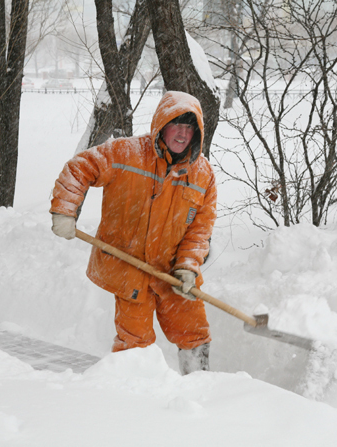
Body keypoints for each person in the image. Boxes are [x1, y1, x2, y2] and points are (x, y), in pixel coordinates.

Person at [50, 91, 217, 375]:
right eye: (176, 124)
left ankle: (198, 388)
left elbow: (200, 230)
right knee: (135, 342)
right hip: (129, 267)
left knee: (193, 331)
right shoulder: (125, 153)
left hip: (171, 271)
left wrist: (188, 267)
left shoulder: (203, 175)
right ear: (162, 124)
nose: (182, 133)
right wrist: (64, 211)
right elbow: (79, 168)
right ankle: (134, 399)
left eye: (190, 127)